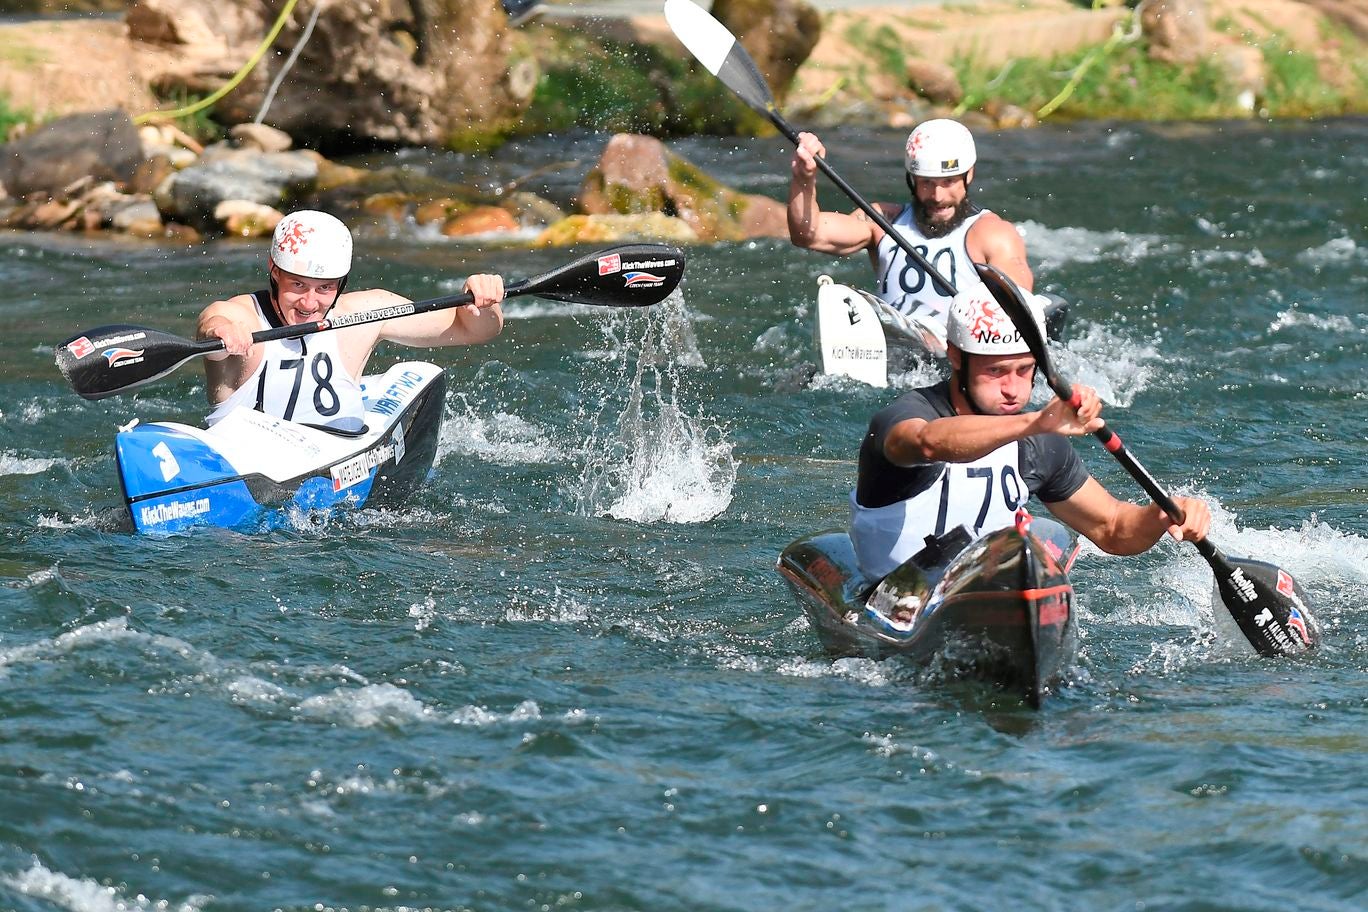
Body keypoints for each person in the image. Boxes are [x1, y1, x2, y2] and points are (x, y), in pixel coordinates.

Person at [849, 288, 1210, 580]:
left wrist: (1162, 514)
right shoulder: (905, 415)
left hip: (984, 587)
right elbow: (928, 443)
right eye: (996, 371)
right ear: (956, 357)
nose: (1013, 389)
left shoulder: (1039, 441)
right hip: (895, 594)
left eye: (1024, 370)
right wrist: (1035, 423)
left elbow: (1112, 527)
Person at [197, 209, 504, 431]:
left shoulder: (363, 314)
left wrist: (483, 301)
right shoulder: (245, 317)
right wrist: (222, 332)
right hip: (243, 468)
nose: (309, 302)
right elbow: (214, 321)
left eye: (325, 288)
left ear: (341, 283)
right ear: (274, 271)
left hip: (331, 463)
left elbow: (472, 330)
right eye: (298, 285)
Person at [788, 118, 1032, 349]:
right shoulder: (882, 221)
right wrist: (804, 178)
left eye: (948, 182)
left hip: (952, 355)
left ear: (969, 175)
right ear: (911, 179)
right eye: (926, 182)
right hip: (891, 341)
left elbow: (1019, 310)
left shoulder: (993, 234)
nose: (937, 196)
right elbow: (809, 234)